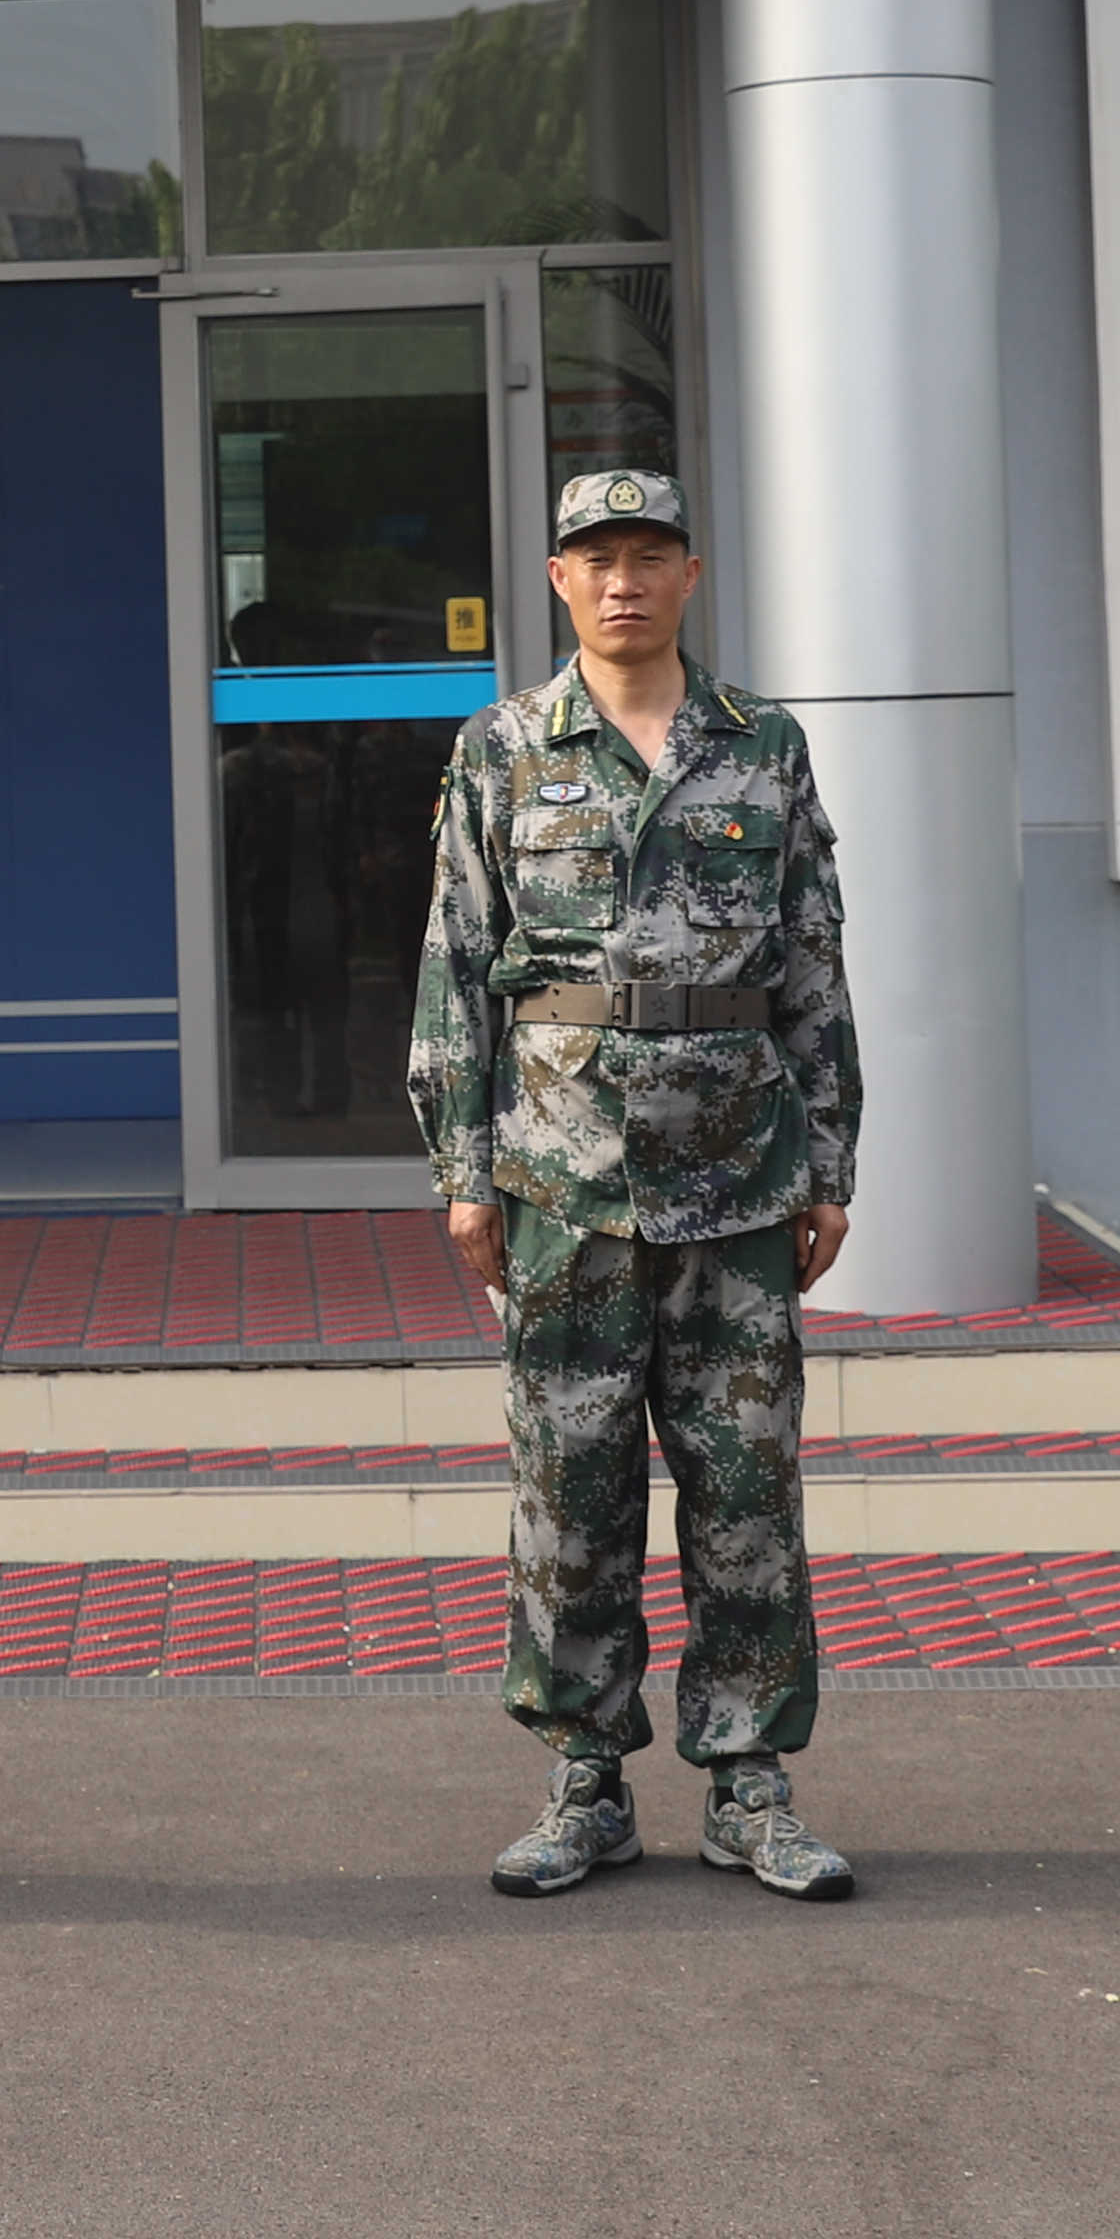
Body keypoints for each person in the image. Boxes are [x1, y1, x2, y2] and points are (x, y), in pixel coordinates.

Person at [402, 468, 865, 1905]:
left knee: (746, 1491)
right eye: (596, 558)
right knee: (570, 1491)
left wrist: (832, 1161)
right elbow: (454, 973)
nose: (623, 581)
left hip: (736, 1180)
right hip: (564, 1184)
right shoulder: (503, 752)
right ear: (557, 581)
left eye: (649, 555)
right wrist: (466, 1174)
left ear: (690, 572)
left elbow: (813, 962)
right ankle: (585, 1784)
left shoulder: (761, 747)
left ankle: (749, 1785)